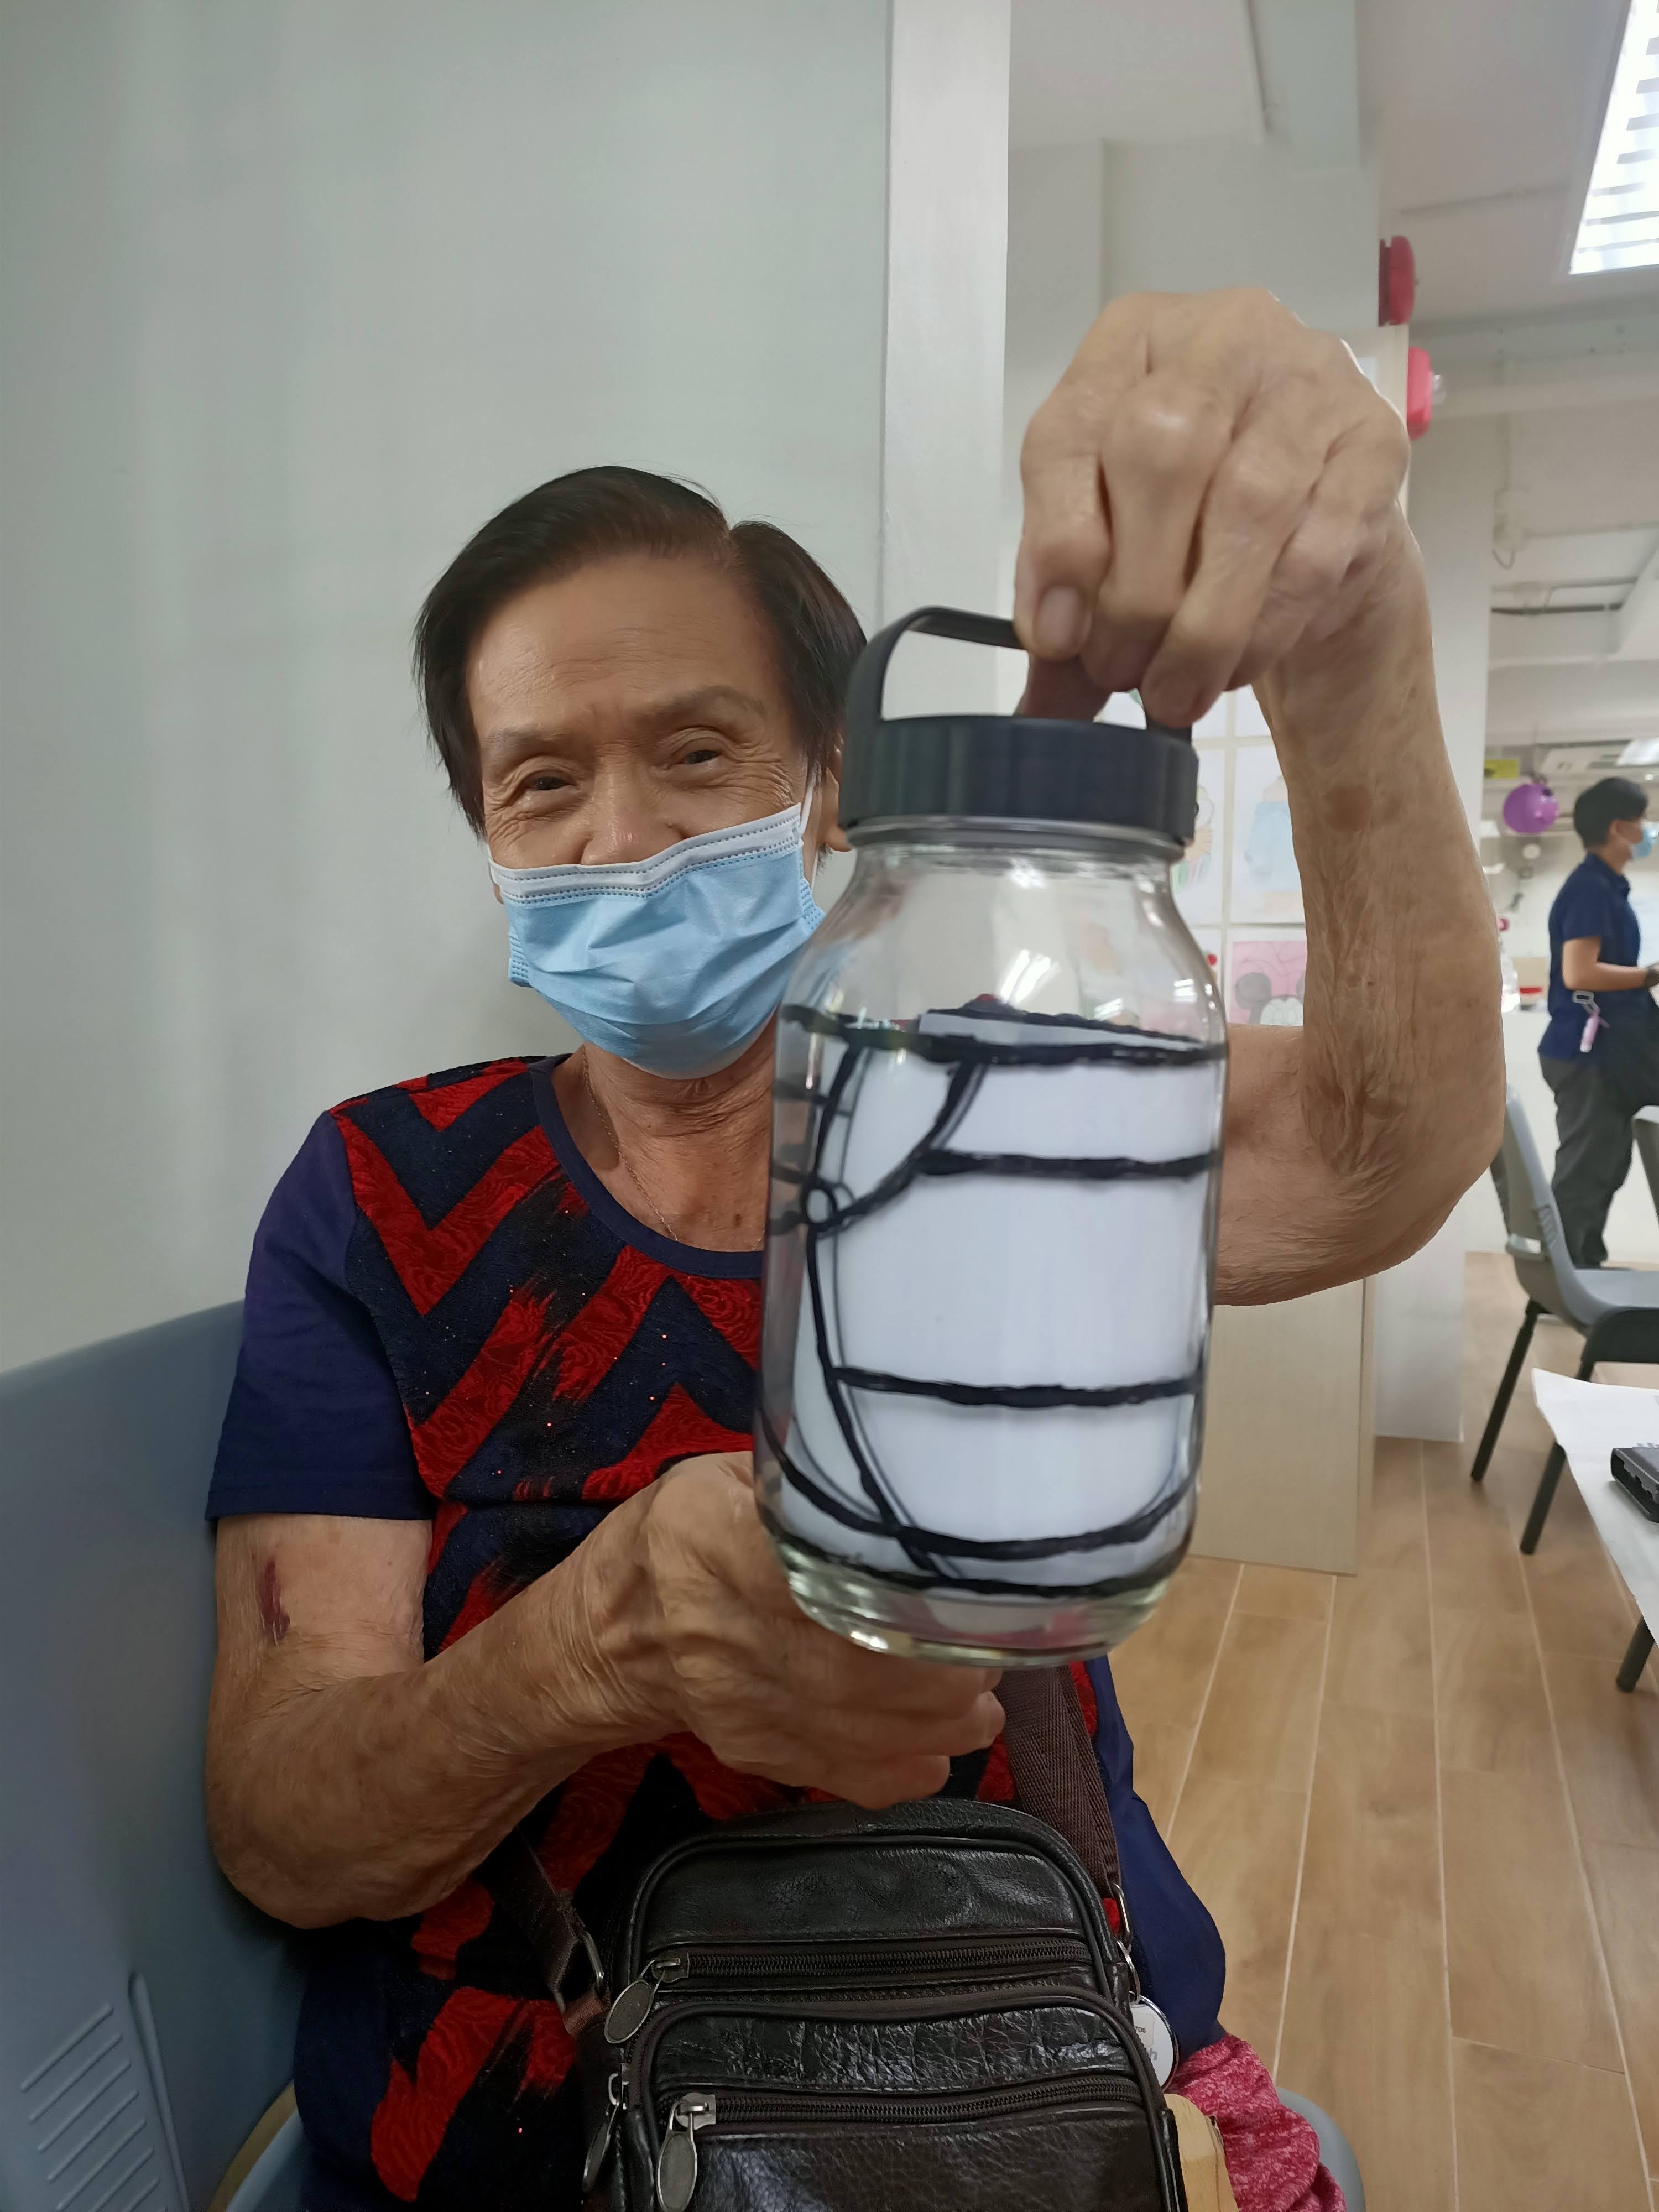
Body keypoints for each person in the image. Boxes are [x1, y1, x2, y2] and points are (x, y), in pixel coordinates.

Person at [204, 289, 1504, 2212]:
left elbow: (1385, 1148)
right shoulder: (384, 1197)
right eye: (542, 782)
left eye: (696, 750)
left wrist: (1350, 626)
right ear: (485, 832)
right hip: (523, 2117)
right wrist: (592, 1649)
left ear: (829, 778)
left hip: (1001, 2061)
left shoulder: (1002, 1100)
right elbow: (286, 1822)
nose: (621, 837)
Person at [1537, 776, 1659, 1266]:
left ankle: (1585, 1267)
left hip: (1604, 1052)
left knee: (1607, 1166)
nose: (1647, 829)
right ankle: (1561, 1282)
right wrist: (1650, 975)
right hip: (1587, 1054)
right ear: (1617, 828)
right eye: (1641, 820)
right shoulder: (1590, 888)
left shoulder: (1607, 886)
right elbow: (1580, 972)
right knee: (1586, 1172)